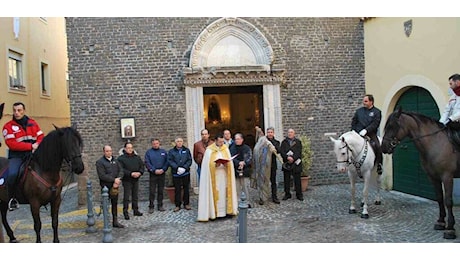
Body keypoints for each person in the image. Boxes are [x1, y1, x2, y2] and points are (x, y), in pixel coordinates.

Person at [2, 102, 44, 210]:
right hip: (17, 157)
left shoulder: (33, 123)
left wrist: (37, 145)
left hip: (32, 155)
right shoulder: (8, 127)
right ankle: (12, 199)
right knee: (12, 175)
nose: (17, 113)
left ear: (24, 111)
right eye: (15, 110)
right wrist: (31, 146)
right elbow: (12, 144)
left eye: (19, 110)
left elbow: (41, 136)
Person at [197, 133, 238, 221]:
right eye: (219, 142)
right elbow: (206, 166)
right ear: (215, 141)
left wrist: (227, 163)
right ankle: (215, 213)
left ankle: (227, 211)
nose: (221, 144)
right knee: (217, 194)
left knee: (225, 193)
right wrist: (214, 165)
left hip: (224, 175)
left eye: (222, 142)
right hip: (214, 177)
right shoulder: (209, 150)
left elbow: (230, 162)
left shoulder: (225, 149)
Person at [351, 94, 383, 175]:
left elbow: (375, 124)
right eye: (363, 101)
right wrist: (353, 131)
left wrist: (366, 130)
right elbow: (354, 122)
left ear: (371, 102)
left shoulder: (377, 112)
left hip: (370, 134)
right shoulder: (359, 111)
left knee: (378, 146)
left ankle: (379, 165)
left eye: (366, 101)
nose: (364, 103)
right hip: (358, 134)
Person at [96, 145, 125, 228]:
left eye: (110, 151)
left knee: (115, 204)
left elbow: (121, 170)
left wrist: (118, 179)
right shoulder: (100, 162)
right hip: (106, 187)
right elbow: (102, 175)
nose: (109, 153)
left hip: (115, 186)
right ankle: (106, 222)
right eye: (107, 151)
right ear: (104, 152)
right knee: (106, 204)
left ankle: (115, 221)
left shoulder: (115, 160)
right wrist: (113, 180)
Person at [117, 141, 144, 220]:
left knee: (135, 196)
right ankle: (125, 212)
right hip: (127, 180)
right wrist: (131, 173)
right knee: (127, 196)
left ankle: (135, 210)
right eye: (128, 148)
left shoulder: (137, 157)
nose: (130, 149)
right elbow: (121, 169)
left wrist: (140, 172)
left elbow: (142, 166)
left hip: (136, 179)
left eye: (131, 148)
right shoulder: (121, 158)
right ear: (125, 149)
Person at [167, 137, 193, 212]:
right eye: (178, 141)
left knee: (186, 189)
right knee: (177, 189)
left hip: (186, 173)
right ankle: (177, 205)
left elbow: (189, 160)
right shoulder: (171, 151)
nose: (179, 143)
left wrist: (184, 168)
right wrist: (177, 168)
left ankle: (186, 204)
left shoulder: (186, 150)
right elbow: (170, 161)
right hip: (176, 174)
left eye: (181, 141)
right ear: (175, 142)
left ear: (183, 142)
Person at [144, 138, 168, 214]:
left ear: (159, 143)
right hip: (153, 174)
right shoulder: (149, 152)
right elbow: (147, 163)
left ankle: (160, 205)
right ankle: (151, 206)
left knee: (161, 190)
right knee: (152, 191)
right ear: (152, 144)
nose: (155, 145)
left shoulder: (163, 152)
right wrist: (154, 170)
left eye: (157, 143)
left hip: (162, 173)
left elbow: (167, 162)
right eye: (154, 143)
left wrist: (163, 169)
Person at [229, 133, 253, 206]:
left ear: (242, 139)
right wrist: (238, 163)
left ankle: (247, 202)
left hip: (245, 170)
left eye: (238, 139)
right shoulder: (231, 148)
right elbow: (230, 158)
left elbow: (250, 157)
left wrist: (244, 163)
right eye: (235, 139)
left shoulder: (247, 148)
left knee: (245, 186)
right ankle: (238, 202)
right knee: (237, 187)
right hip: (235, 170)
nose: (237, 140)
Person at [280, 128, 303, 201]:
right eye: (289, 132)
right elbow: (282, 151)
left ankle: (299, 194)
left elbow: (299, 152)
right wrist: (287, 158)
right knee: (286, 180)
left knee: (297, 180)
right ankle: (287, 194)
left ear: (294, 133)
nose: (290, 133)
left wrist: (293, 158)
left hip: (296, 163)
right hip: (287, 163)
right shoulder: (284, 142)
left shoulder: (298, 142)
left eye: (291, 132)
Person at [266, 127, 281, 204]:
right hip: (264, 165)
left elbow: (279, 150)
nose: (270, 133)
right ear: (266, 133)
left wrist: (274, 148)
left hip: (272, 165)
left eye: (271, 132)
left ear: (273, 133)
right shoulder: (263, 141)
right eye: (268, 132)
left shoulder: (276, 142)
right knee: (263, 182)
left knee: (273, 182)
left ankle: (274, 197)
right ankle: (263, 197)